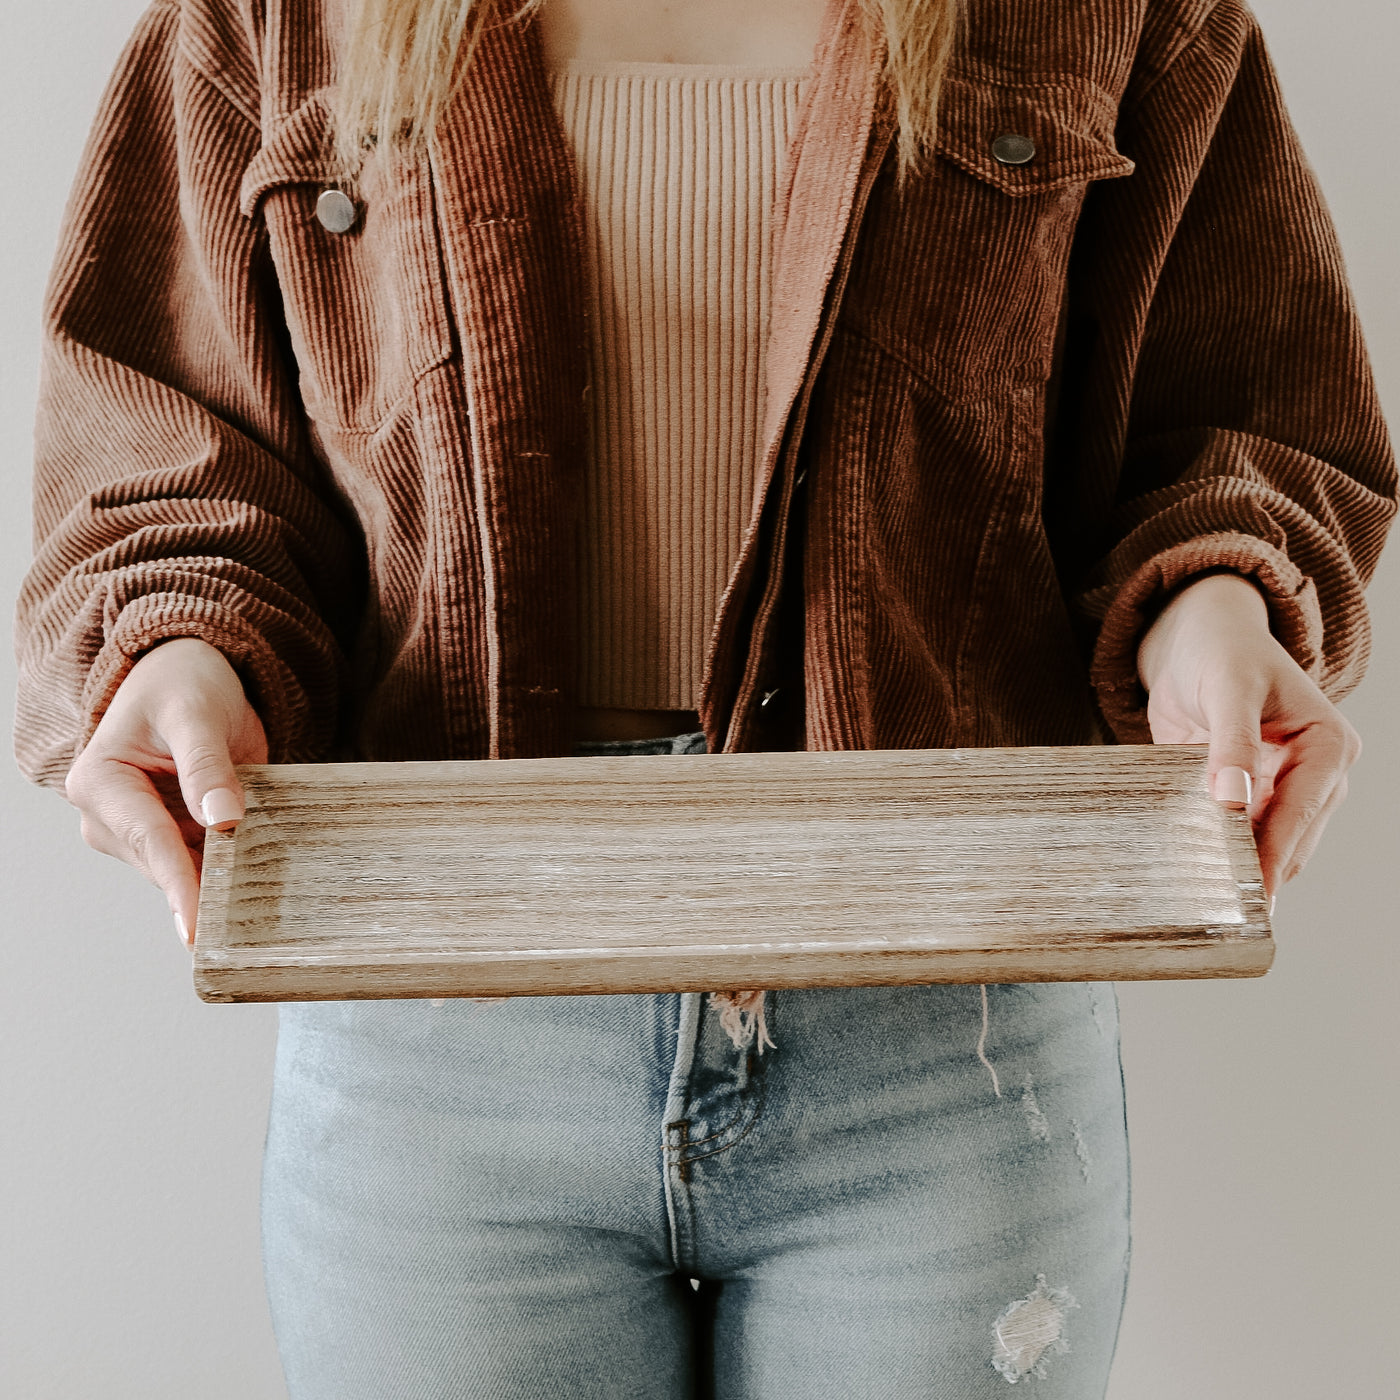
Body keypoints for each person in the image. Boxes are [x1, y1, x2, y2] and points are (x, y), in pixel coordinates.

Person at [14, 0, 1395, 1394]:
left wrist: (1214, 609)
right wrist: (177, 656)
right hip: (441, 1020)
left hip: (943, 1018)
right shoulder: (269, 20)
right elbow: (167, 445)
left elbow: (1237, 413)